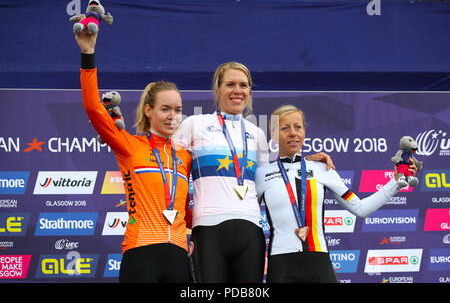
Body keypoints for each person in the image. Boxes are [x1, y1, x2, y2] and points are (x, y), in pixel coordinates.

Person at [173, 63, 334, 282]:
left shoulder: (256, 133)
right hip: (209, 229)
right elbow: (167, 164)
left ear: (249, 91)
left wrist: (304, 164)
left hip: (250, 230)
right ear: (217, 89)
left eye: (243, 85)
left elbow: (269, 178)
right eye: (230, 84)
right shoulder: (194, 124)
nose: (237, 90)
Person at [75, 28, 192, 282]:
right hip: (141, 252)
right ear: (148, 111)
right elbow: (94, 108)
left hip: (180, 255)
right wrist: (88, 53)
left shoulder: (185, 155)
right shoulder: (129, 145)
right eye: (165, 109)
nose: (173, 116)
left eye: (178, 109)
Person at [255, 105, 418, 283]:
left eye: (298, 127)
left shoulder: (322, 168)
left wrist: (395, 183)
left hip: (319, 263)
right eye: (285, 128)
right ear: (272, 134)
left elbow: (360, 209)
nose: (293, 133)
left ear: (304, 131)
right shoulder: (262, 174)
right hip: (281, 265)